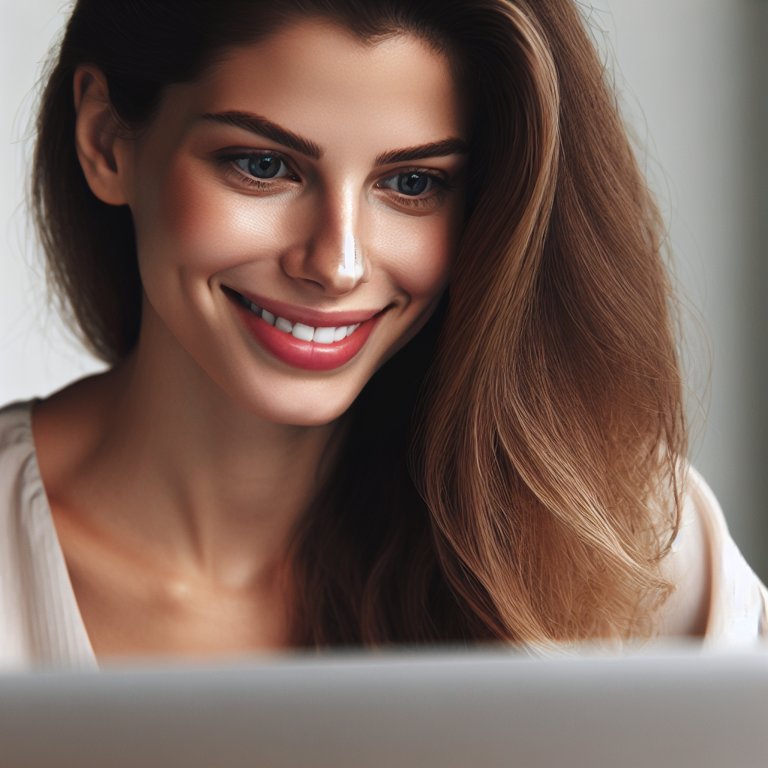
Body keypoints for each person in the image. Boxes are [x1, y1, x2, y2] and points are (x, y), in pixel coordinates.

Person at [0, 0, 765, 668]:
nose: (337, 263)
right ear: (107, 141)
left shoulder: (618, 543)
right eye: (264, 165)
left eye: (412, 183)